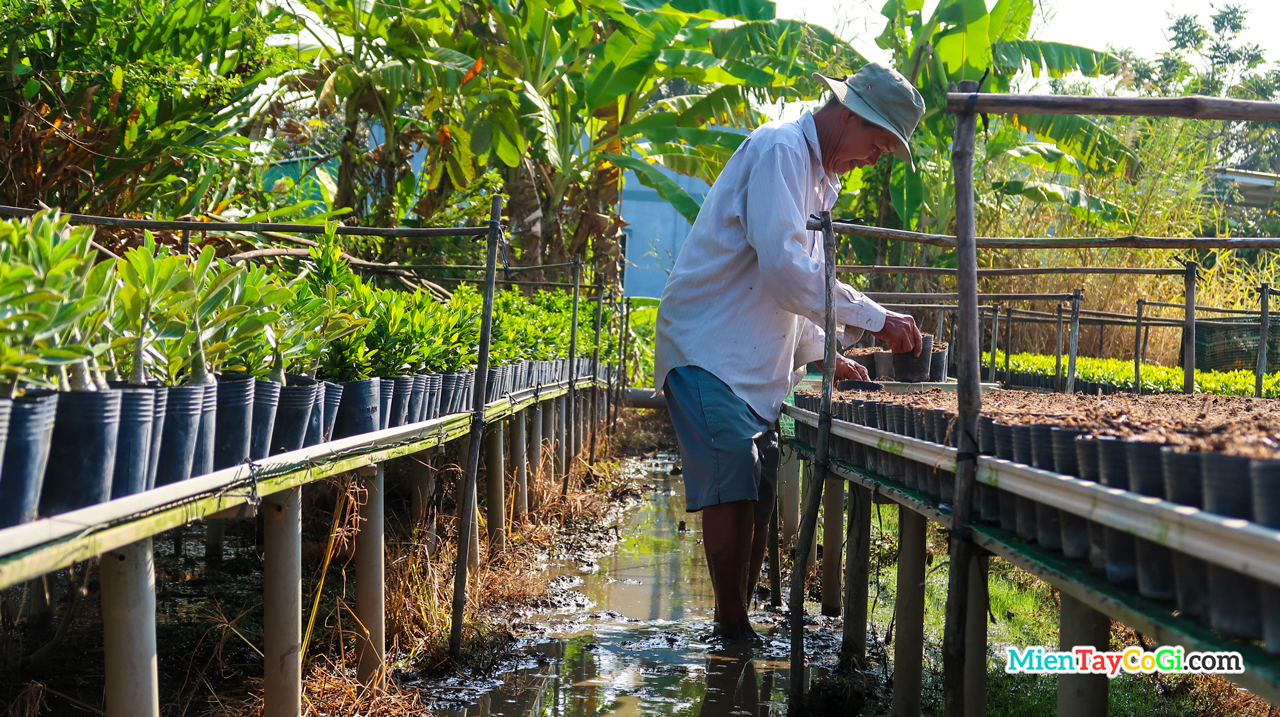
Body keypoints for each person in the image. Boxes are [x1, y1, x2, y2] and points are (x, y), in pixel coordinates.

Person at [654, 63, 926, 643]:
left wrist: (824, 352)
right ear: (850, 115)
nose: (873, 158)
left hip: (755, 365)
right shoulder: (780, 150)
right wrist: (875, 320)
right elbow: (784, 271)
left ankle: (737, 623)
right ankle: (731, 629)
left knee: (757, 490)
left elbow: (794, 292)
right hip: (709, 350)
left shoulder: (819, 180)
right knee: (734, 479)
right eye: (876, 144)